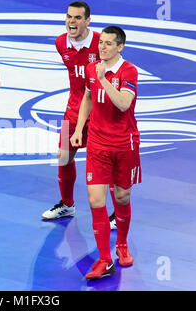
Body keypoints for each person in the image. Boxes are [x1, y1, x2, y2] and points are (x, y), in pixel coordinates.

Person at [70, 26, 141, 280]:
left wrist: (102, 79)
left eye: (109, 44)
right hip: (98, 144)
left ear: (120, 47)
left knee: (121, 197)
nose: (103, 47)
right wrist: (79, 129)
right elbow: (87, 98)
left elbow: (123, 103)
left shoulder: (128, 71)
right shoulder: (92, 68)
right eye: (102, 43)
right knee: (96, 201)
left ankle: (121, 244)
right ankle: (104, 259)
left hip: (124, 144)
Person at [41, 0, 117, 230]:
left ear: (87, 21)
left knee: (105, 161)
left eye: (77, 18)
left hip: (101, 110)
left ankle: (116, 213)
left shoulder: (100, 43)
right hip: (74, 106)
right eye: (68, 17)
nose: (71, 22)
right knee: (63, 155)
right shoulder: (60, 43)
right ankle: (67, 204)